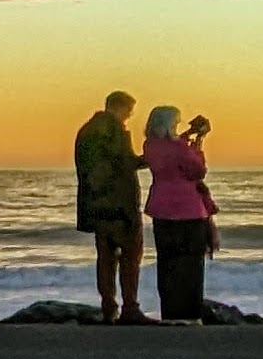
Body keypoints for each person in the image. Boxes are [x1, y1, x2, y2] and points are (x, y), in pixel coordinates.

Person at [143, 106, 219, 322]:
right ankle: (189, 312)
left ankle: (170, 311)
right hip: (189, 210)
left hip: (161, 209)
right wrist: (198, 144)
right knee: (192, 264)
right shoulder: (179, 148)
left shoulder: (150, 145)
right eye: (176, 124)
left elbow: (173, 149)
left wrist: (188, 136)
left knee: (167, 262)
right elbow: (198, 170)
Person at [74, 91, 144, 322]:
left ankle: (108, 307)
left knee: (105, 258)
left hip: (95, 205)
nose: (128, 117)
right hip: (119, 205)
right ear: (120, 108)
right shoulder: (114, 130)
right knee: (130, 256)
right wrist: (150, 158)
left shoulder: (85, 131)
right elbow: (125, 163)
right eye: (128, 112)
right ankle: (130, 308)